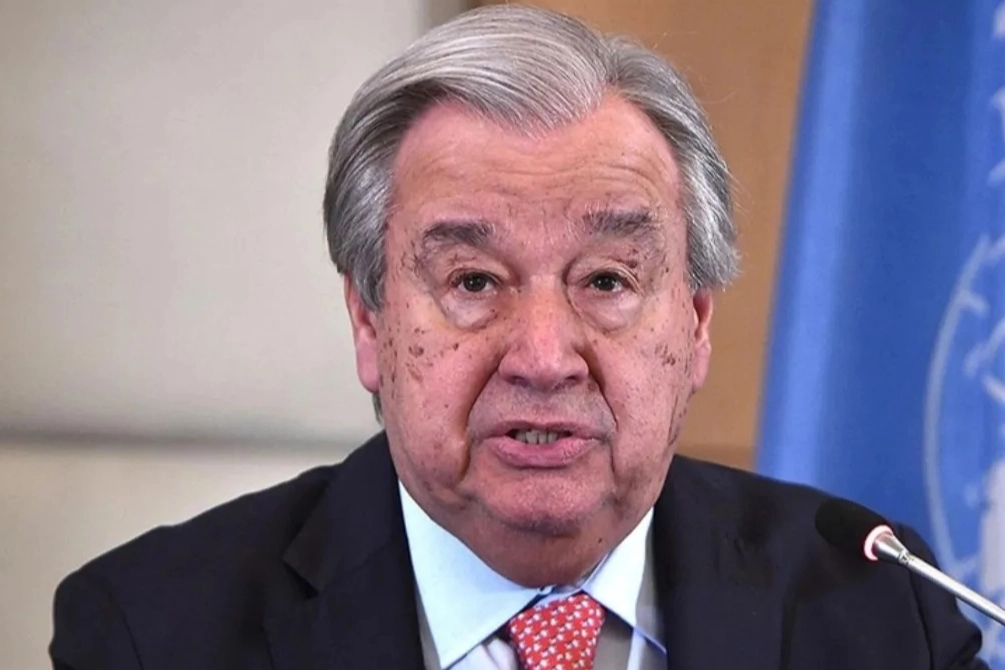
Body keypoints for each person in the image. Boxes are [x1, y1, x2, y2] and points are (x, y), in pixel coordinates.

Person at [49, 5, 989, 669]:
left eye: (608, 281)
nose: (543, 358)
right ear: (369, 321)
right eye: (472, 282)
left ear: (696, 323)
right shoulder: (153, 632)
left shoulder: (876, 610)